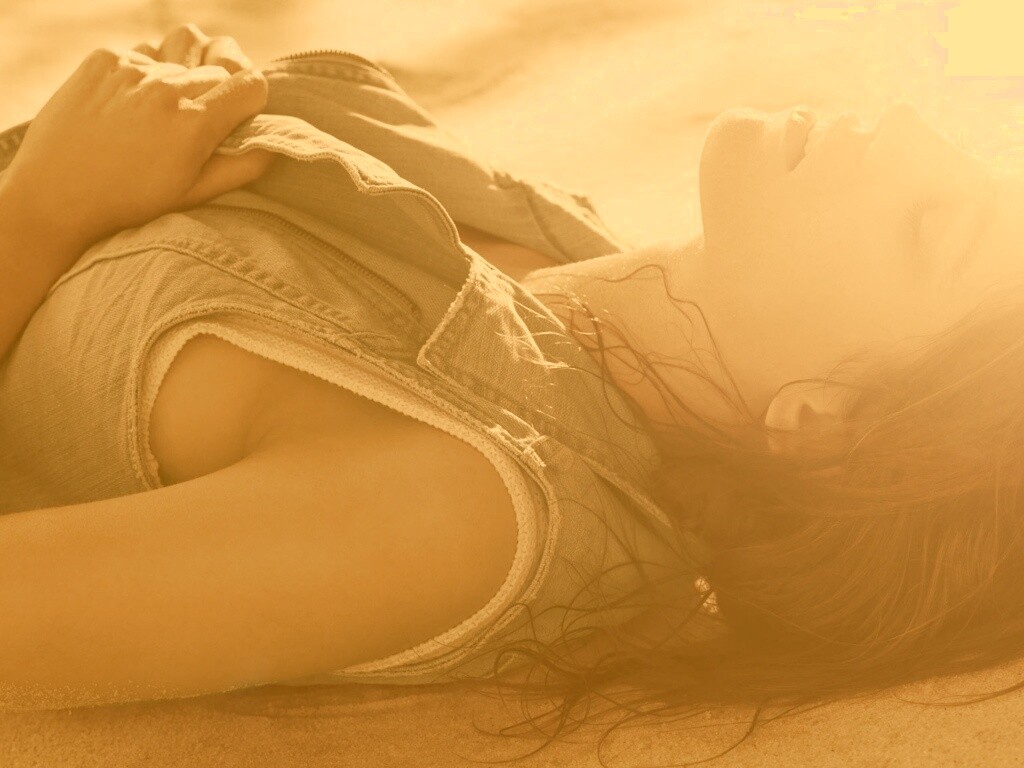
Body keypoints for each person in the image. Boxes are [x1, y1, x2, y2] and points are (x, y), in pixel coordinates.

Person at [0, 21, 1022, 756]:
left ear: (823, 426)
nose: (908, 125)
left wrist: (44, 207)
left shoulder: (471, 505)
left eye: (931, 225)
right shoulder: (583, 263)